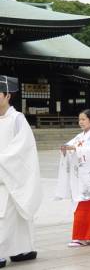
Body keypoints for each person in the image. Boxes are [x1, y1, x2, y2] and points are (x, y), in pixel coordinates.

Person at [0, 76, 42, 268]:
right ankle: (20, 249)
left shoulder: (17, 119)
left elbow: (23, 148)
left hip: (11, 176)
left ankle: (14, 251)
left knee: (8, 215)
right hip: (3, 173)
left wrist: (3, 161)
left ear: (8, 96)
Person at [56, 109, 90, 247]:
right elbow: (71, 145)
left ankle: (83, 236)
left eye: (84, 119)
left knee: (87, 205)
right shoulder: (80, 137)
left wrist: (76, 149)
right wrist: (66, 149)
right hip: (82, 178)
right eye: (79, 119)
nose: (81, 122)